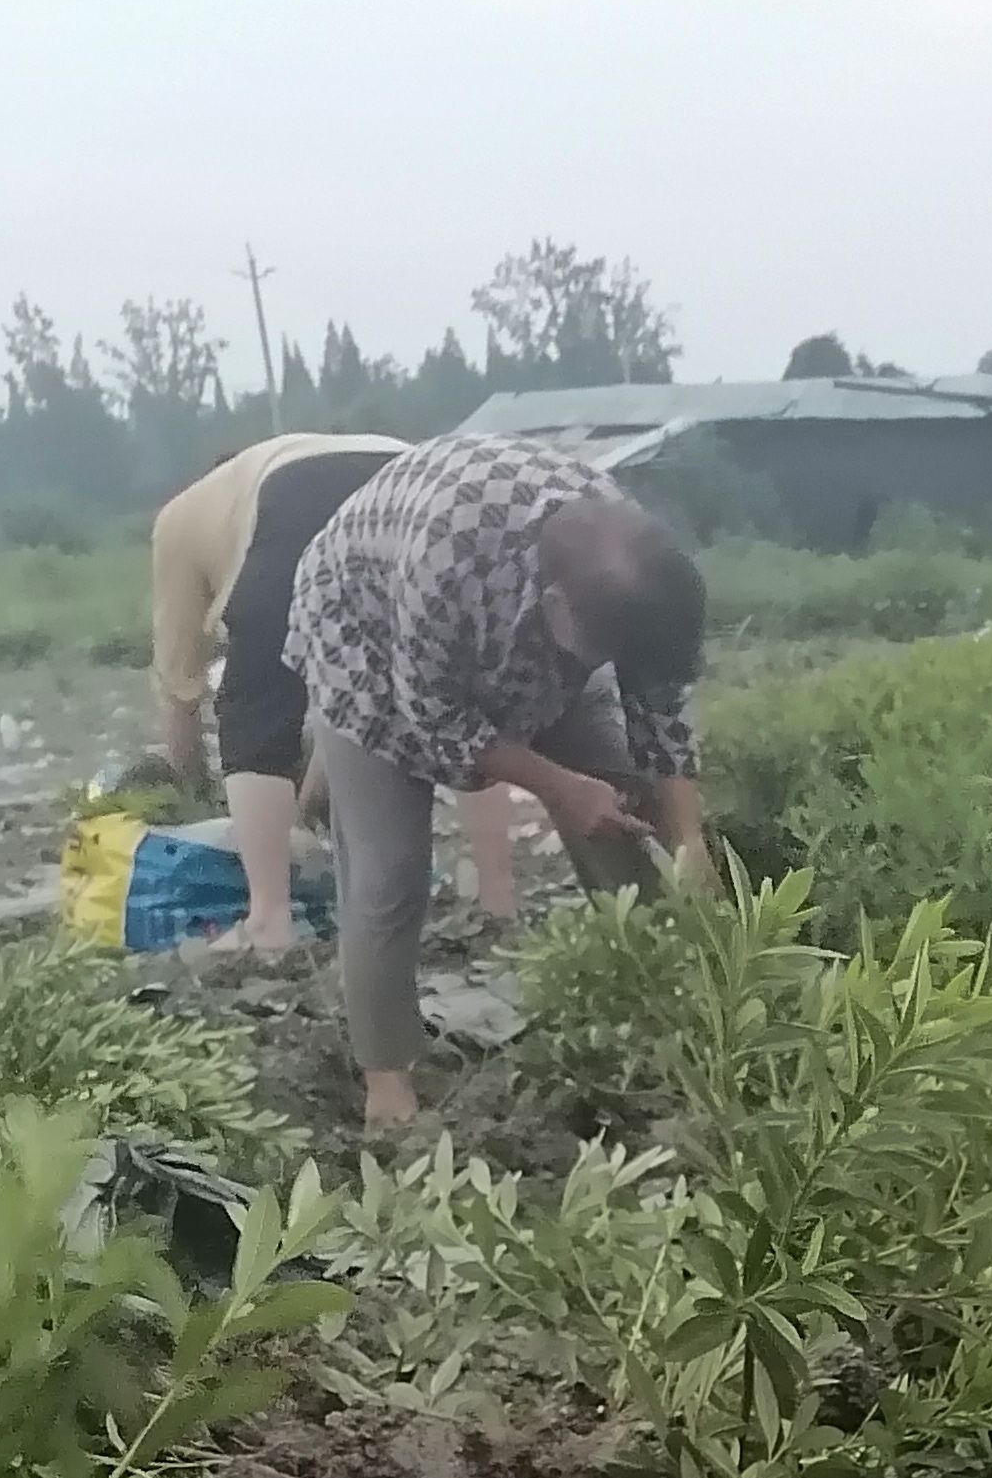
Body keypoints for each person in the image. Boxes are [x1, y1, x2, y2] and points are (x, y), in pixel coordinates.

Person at [287, 431, 711, 1130]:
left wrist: (689, 837)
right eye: (602, 655)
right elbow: (435, 719)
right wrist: (559, 786)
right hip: (369, 638)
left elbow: (658, 705)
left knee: (629, 806)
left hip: (523, 645)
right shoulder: (447, 562)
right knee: (389, 869)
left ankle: (670, 1020)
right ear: (555, 610)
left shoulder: (633, 567)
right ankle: (386, 1079)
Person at [150, 430, 514, 950]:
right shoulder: (265, 465)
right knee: (457, 695)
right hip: (423, 481)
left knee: (257, 700)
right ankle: (498, 896)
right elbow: (347, 691)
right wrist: (308, 796)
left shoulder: (181, 518)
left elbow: (179, 683)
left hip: (301, 492)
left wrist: (188, 785)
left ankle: (268, 920)